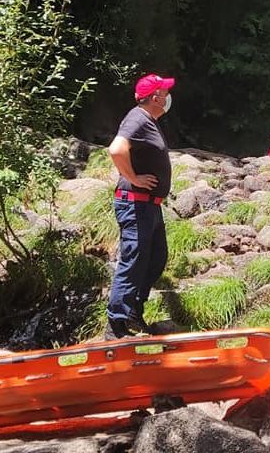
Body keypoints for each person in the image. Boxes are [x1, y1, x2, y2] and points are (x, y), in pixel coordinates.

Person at [105, 73, 176, 340]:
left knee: (156, 258)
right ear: (155, 97)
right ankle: (116, 325)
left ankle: (133, 310)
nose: (168, 97)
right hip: (135, 203)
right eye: (165, 92)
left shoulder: (148, 121)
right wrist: (133, 178)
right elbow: (116, 149)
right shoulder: (137, 118)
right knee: (134, 260)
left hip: (149, 205)